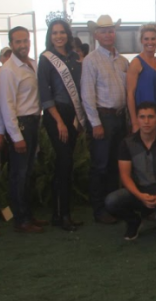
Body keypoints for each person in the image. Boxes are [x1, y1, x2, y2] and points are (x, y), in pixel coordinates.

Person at [105, 102, 156, 240]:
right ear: (137, 119)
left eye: (151, 117)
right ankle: (133, 221)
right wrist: (140, 196)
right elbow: (125, 176)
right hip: (137, 191)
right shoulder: (126, 143)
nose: (146, 121)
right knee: (111, 201)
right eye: (142, 117)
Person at [81, 15, 130, 224]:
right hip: (103, 117)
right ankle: (99, 209)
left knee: (114, 165)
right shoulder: (91, 60)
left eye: (111, 30)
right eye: (103, 31)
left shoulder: (123, 60)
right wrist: (95, 123)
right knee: (100, 165)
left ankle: (112, 206)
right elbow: (87, 94)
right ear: (96, 35)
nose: (108, 34)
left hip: (120, 117)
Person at [38, 19, 86, 231]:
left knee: (65, 165)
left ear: (67, 34)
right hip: (55, 116)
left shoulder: (75, 58)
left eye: (62, 32)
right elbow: (45, 94)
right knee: (64, 163)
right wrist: (59, 122)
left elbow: (80, 88)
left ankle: (60, 215)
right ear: (50, 36)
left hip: (73, 116)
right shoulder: (46, 59)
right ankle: (62, 215)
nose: (59, 36)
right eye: (54, 33)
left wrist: (78, 119)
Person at [0, 26, 45, 233]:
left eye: (25, 41)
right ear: (11, 44)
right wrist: (16, 136)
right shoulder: (8, 70)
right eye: (18, 42)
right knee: (19, 174)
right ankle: (21, 219)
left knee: (27, 174)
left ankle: (28, 215)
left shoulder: (32, 64)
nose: (23, 45)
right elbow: (6, 107)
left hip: (34, 122)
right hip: (21, 125)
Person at [127, 23, 156, 134]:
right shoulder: (136, 63)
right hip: (144, 119)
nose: (150, 42)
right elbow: (130, 94)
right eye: (146, 39)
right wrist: (135, 122)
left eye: (153, 39)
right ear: (141, 40)